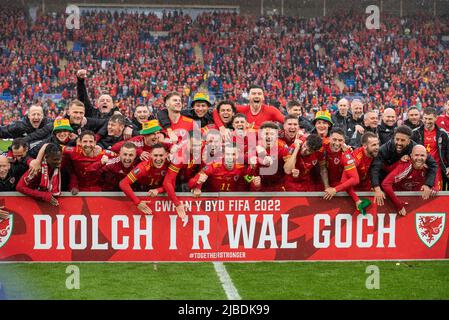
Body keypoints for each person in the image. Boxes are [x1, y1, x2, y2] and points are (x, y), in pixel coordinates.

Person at [370, 125, 439, 206]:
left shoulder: (416, 149)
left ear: (409, 141)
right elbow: (375, 168)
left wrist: (428, 184)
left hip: (403, 180)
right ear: (393, 138)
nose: (399, 143)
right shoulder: (385, 148)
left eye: (402, 140)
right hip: (384, 177)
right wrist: (377, 188)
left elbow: (433, 165)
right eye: (397, 139)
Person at [381, 145, 439, 216]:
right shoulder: (405, 166)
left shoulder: (428, 168)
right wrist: (398, 204)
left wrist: (435, 188)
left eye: (422, 155)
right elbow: (385, 184)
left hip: (416, 203)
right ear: (411, 155)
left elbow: (435, 178)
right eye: (416, 155)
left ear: (426, 156)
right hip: (400, 203)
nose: (419, 158)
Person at [319, 128, 366, 213]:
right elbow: (322, 168)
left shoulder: (346, 154)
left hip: (337, 186)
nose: (337, 143)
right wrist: (327, 187)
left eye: (340, 140)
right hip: (320, 185)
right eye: (334, 139)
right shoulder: (322, 145)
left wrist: (334, 190)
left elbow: (354, 179)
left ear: (344, 141)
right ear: (329, 138)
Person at [119, 144, 169, 215]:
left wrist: (158, 190)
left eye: (161, 155)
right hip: (142, 189)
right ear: (150, 155)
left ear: (166, 155)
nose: (158, 159)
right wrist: (137, 202)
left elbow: (172, 184)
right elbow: (123, 183)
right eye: (155, 155)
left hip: (162, 191)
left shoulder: (170, 164)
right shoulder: (143, 167)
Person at [188, 145, 259, 194]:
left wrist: (256, 184)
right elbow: (190, 183)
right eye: (228, 154)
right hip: (213, 200)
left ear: (237, 155)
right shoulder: (212, 166)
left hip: (232, 202)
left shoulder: (241, 168)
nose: (230, 157)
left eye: (233, 154)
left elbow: (250, 182)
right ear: (223, 155)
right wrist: (197, 183)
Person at [212, 85, 284, 129]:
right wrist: (221, 128)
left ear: (263, 97)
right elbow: (216, 110)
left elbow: (287, 121)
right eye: (253, 93)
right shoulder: (242, 109)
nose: (256, 96)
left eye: (259, 94)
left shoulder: (271, 111)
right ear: (248, 97)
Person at [411, 107, 449, 190]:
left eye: (430, 119)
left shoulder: (442, 134)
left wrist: (448, 166)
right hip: (420, 167)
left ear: (436, 118)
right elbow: (410, 150)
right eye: (425, 118)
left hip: (436, 168)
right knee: (420, 192)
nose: (427, 121)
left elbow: (447, 151)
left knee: (436, 193)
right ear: (422, 118)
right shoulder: (415, 133)